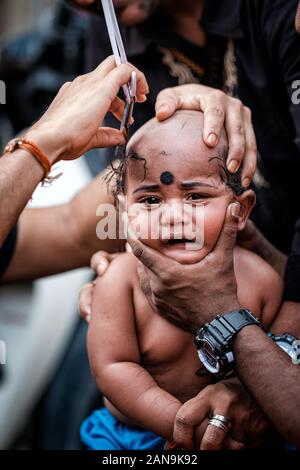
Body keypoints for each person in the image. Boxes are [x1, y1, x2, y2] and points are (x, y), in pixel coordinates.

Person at [80, 110, 282, 450]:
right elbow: (113, 369)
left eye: (195, 197)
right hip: (129, 439)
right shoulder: (121, 281)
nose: (173, 216)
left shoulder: (261, 280)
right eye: (150, 200)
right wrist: (184, 427)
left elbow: (279, 359)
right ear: (124, 210)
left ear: (241, 209)